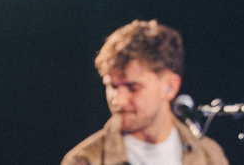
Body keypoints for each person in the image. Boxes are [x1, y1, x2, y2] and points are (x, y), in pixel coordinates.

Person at [63, 19, 229, 165]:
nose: (118, 100)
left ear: (170, 86)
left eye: (132, 87)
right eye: (113, 87)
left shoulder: (209, 156)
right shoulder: (84, 160)